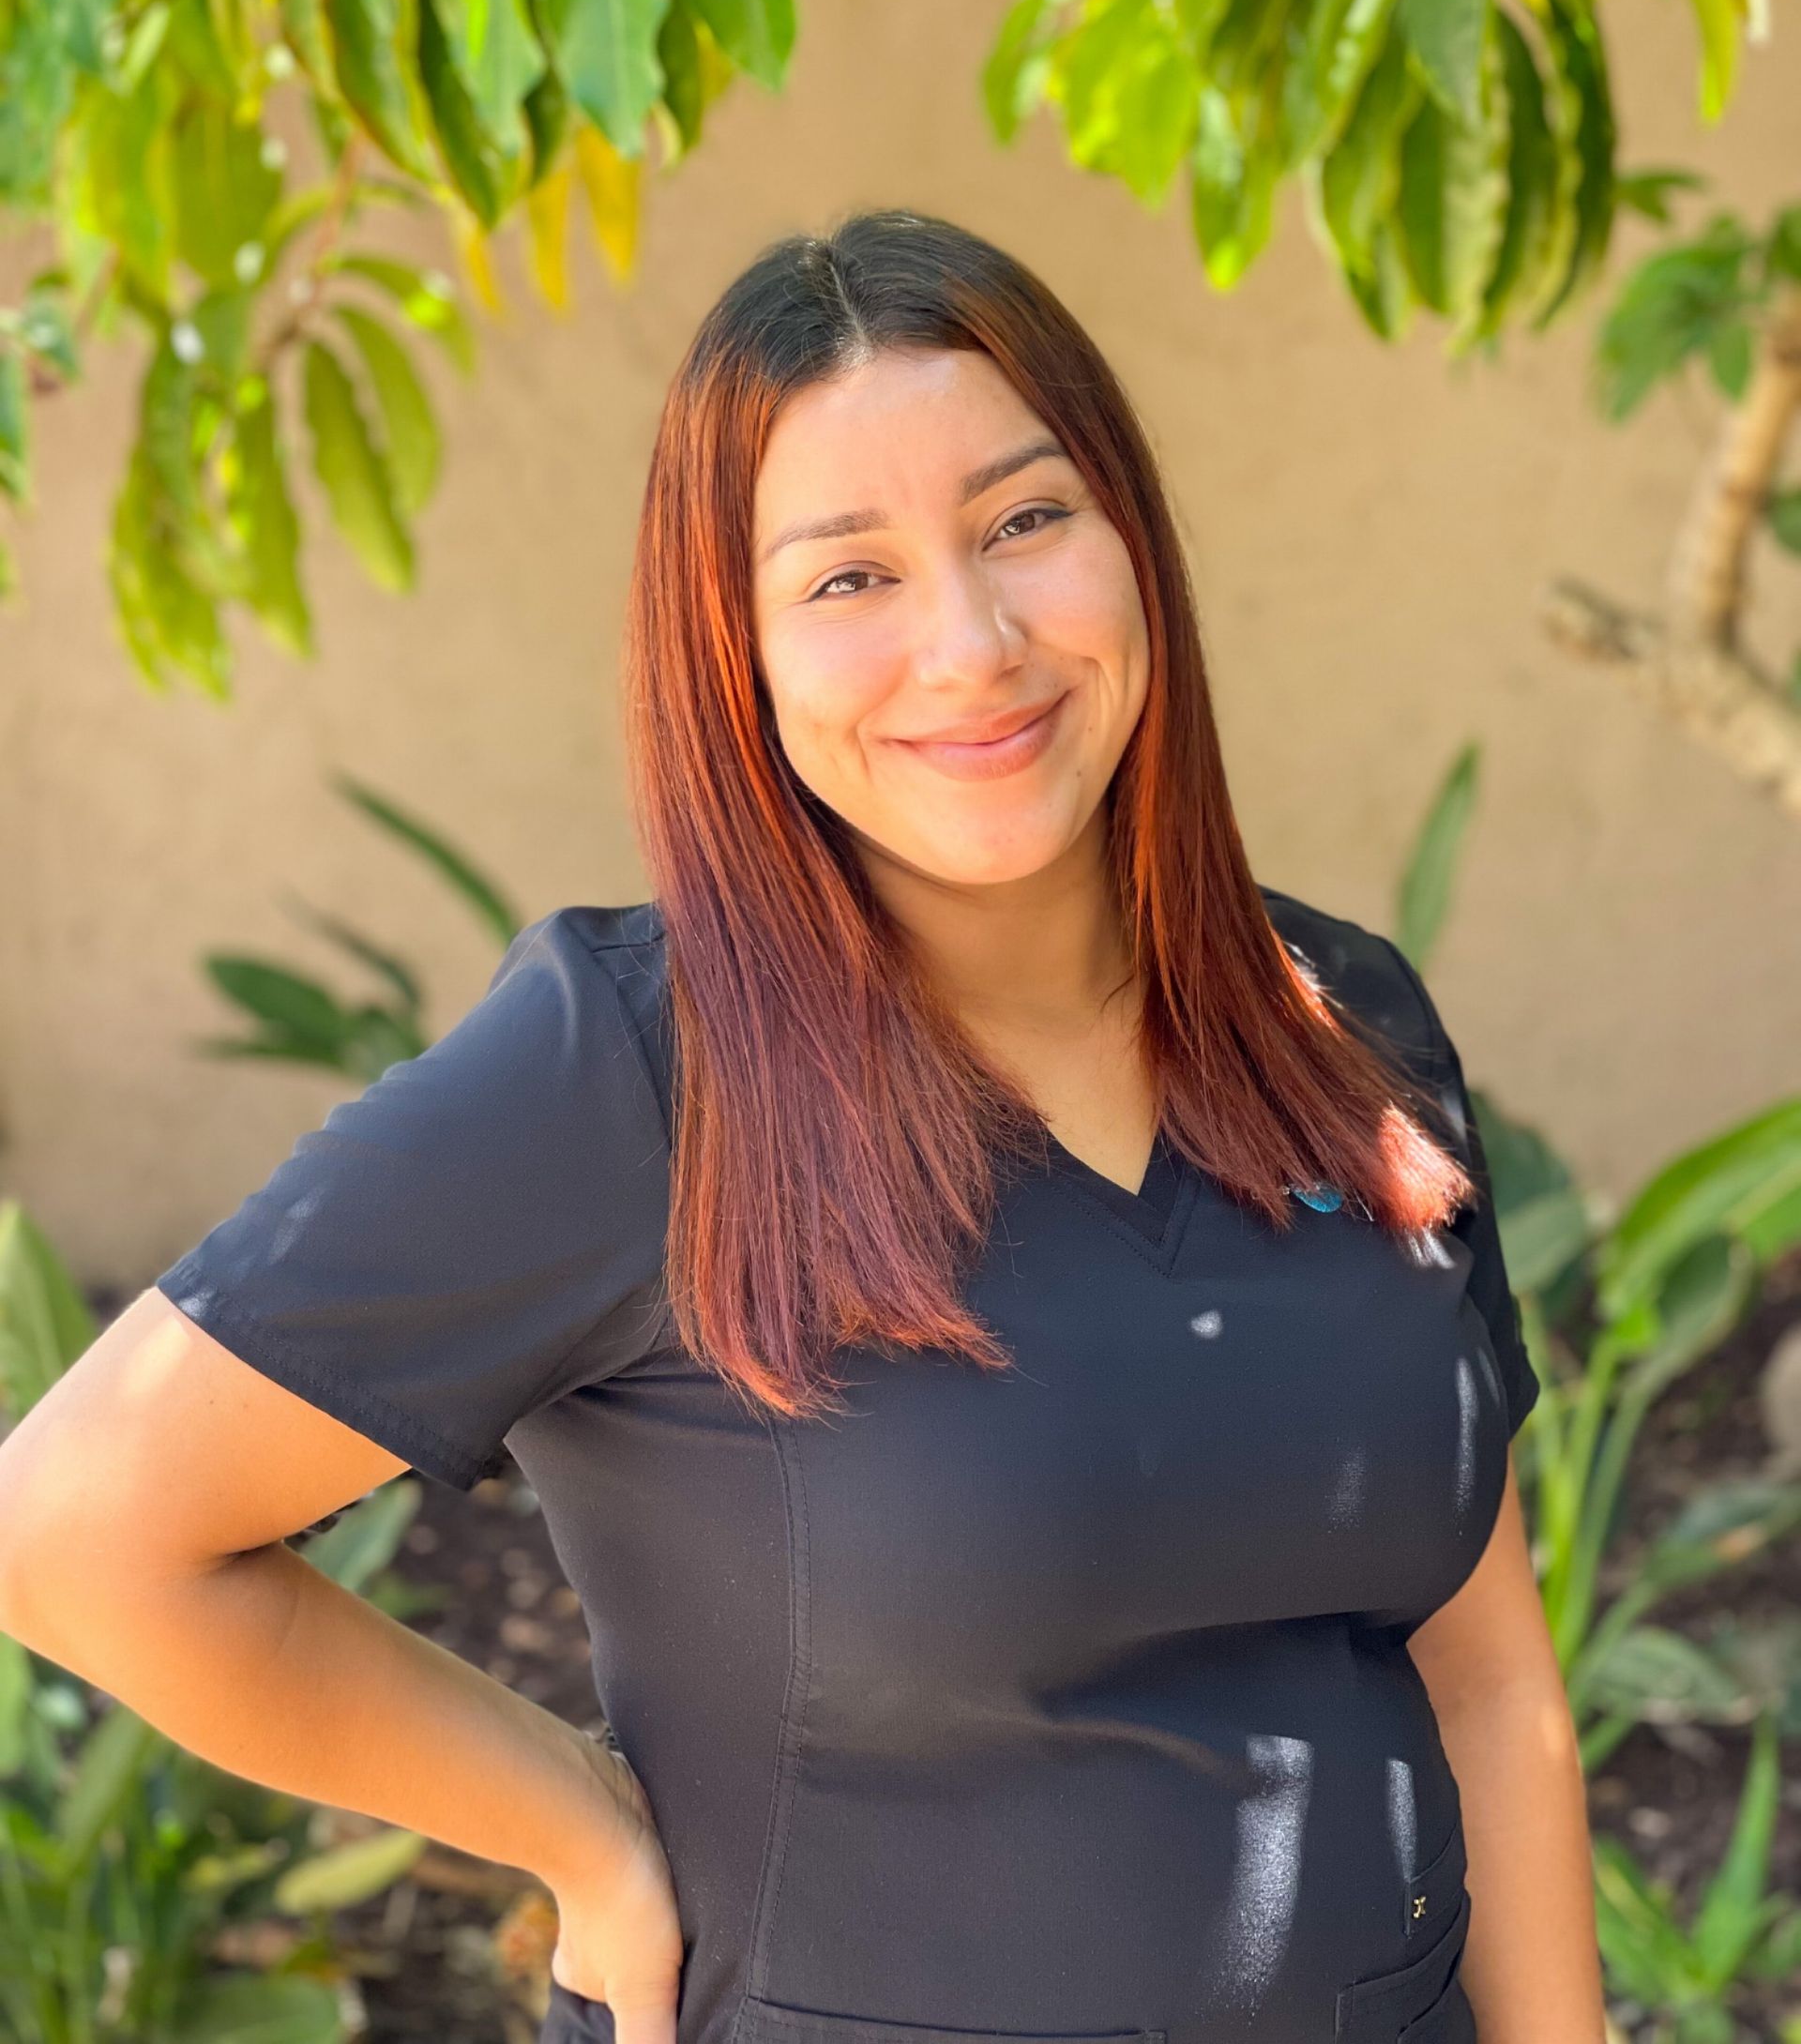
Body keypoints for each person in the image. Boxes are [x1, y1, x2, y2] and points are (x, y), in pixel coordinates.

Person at [0, 209, 1606, 2044]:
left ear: (1132, 540)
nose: (972, 642)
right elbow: (79, 1528)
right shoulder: (630, 1073)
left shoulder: (1343, 1024)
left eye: (1024, 521)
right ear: (735, 651)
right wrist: (579, 1831)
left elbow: (1481, 1674)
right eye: (849, 578)